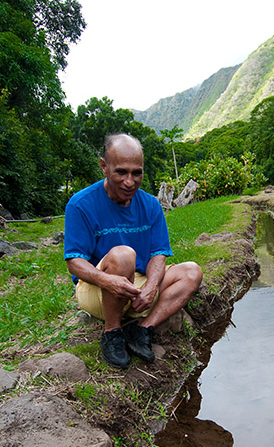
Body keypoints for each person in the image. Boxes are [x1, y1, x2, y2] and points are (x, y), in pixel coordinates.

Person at [64, 133, 203, 369]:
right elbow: (74, 261)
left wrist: (150, 288)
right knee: (123, 255)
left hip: (137, 287)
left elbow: (158, 254)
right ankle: (112, 333)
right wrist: (108, 281)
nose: (129, 182)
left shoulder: (150, 204)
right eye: (121, 172)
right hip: (98, 290)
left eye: (136, 173)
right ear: (104, 167)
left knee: (192, 272)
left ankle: (143, 329)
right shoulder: (80, 204)